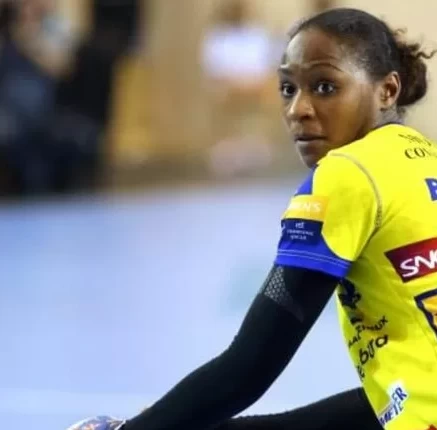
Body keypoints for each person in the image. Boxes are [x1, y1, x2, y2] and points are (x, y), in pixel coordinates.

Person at [68, 7, 437, 430]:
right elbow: (391, 400)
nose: (298, 109)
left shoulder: (347, 174)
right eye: (288, 88)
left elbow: (249, 367)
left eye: (324, 87)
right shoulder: (426, 159)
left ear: (387, 90)